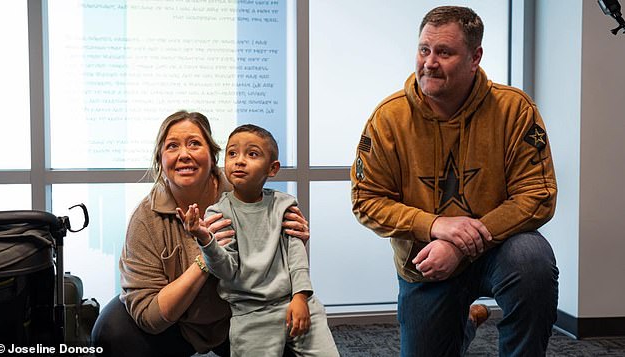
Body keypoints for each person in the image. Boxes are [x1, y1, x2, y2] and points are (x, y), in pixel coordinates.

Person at [350, 6, 559, 357]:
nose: (429, 62)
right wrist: (434, 225)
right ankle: (465, 322)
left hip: (499, 250)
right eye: (424, 50)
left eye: (444, 52)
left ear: (475, 57)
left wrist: (460, 242)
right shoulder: (388, 118)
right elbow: (366, 200)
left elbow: (538, 194)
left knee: (532, 261)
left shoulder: (514, 109)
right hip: (427, 262)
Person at [91, 111, 311, 357]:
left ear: (212, 154)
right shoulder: (145, 220)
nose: (184, 154)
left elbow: (284, 274)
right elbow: (150, 316)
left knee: (299, 337)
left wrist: (294, 241)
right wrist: (206, 257)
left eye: (194, 143)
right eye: (172, 146)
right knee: (111, 333)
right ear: (161, 160)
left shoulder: (246, 194)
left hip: (241, 315)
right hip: (178, 324)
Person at [179, 124, 339, 357]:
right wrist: (205, 239)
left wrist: (301, 297)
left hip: (295, 301)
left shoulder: (284, 205)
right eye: (232, 153)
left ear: (272, 168)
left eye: (252, 154)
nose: (239, 161)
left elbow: (296, 255)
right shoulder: (218, 212)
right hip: (251, 312)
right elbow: (226, 270)